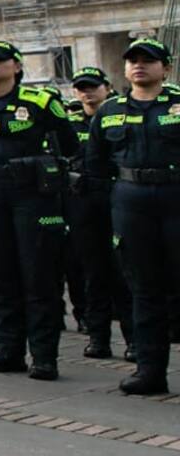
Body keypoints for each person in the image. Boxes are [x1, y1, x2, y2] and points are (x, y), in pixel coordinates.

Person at [0, 41, 78, 380]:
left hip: (32, 196)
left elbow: (69, 144)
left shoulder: (40, 103)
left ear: (17, 67)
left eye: (0, 61)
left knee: (38, 277)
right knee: (0, 275)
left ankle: (44, 356)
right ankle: (8, 349)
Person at [86, 38, 180, 395]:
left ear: (165, 68)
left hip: (175, 196)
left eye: (148, 60)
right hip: (131, 200)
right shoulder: (109, 111)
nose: (139, 66)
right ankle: (150, 370)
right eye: (133, 61)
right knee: (143, 289)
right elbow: (96, 164)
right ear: (125, 70)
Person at [68, 66, 133, 359]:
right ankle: (98, 338)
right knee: (92, 273)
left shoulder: (119, 116)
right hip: (83, 204)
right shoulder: (70, 125)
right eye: (81, 87)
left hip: (118, 199)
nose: (87, 92)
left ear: (107, 87)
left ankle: (134, 340)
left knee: (125, 274)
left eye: (93, 86)